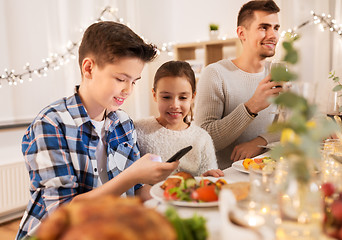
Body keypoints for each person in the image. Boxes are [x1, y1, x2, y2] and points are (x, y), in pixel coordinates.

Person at [17, 21, 179, 239]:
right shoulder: (51, 124)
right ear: (89, 68)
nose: (128, 90)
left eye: (134, 81)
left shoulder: (122, 123)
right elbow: (63, 213)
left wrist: (176, 196)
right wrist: (130, 176)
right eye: (121, 79)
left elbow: (138, 190)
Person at [194, 0, 282, 169]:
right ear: (242, 33)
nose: (273, 35)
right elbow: (203, 138)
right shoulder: (215, 74)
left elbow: (293, 125)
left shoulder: (277, 73)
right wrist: (251, 107)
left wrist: (261, 141)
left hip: (267, 174)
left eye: (276, 28)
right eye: (264, 27)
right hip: (224, 179)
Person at [135, 61, 223, 177]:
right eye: (166, 97)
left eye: (183, 97)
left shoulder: (202, 138)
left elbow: (207, 180)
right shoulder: (138, 130)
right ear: (155, 95)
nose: (175, 105)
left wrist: (208, 177)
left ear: (192, 97)